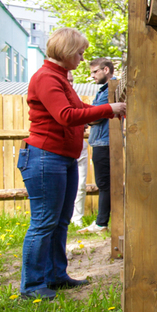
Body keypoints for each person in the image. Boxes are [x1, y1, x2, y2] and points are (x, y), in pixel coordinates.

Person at [18, 28, 125, 299]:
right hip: (45, 157)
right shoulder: (46, 78)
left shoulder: (60, 79)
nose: (81, 57)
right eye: (79, 52)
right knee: (44, 222)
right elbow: (67, 115)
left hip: (60, 158)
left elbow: (82, 112)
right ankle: (31, 285)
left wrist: (104, 109)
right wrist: (109, 110)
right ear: (66, 52)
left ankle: (55, 275)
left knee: (61, 220)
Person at [78, 58, 115, 233]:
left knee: (104, 183)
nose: (92, 76)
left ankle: (101, 224)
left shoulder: (110, 89)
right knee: (106, 183)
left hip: (104, 142)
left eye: (95, 72)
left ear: (105, 70)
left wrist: (86, 119)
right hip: (103, 141)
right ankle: (104, 222)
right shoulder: (106, 89)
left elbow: (97, 115)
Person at [66, 70, 90, 227]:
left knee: (80, 184)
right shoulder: (56, 96)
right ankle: (65, 219)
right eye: (67, 80)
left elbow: (85, 114)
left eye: (72, 80)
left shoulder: (75, 98)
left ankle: (77, 219)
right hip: (63, 149)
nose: (70, 83)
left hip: (79, 144)